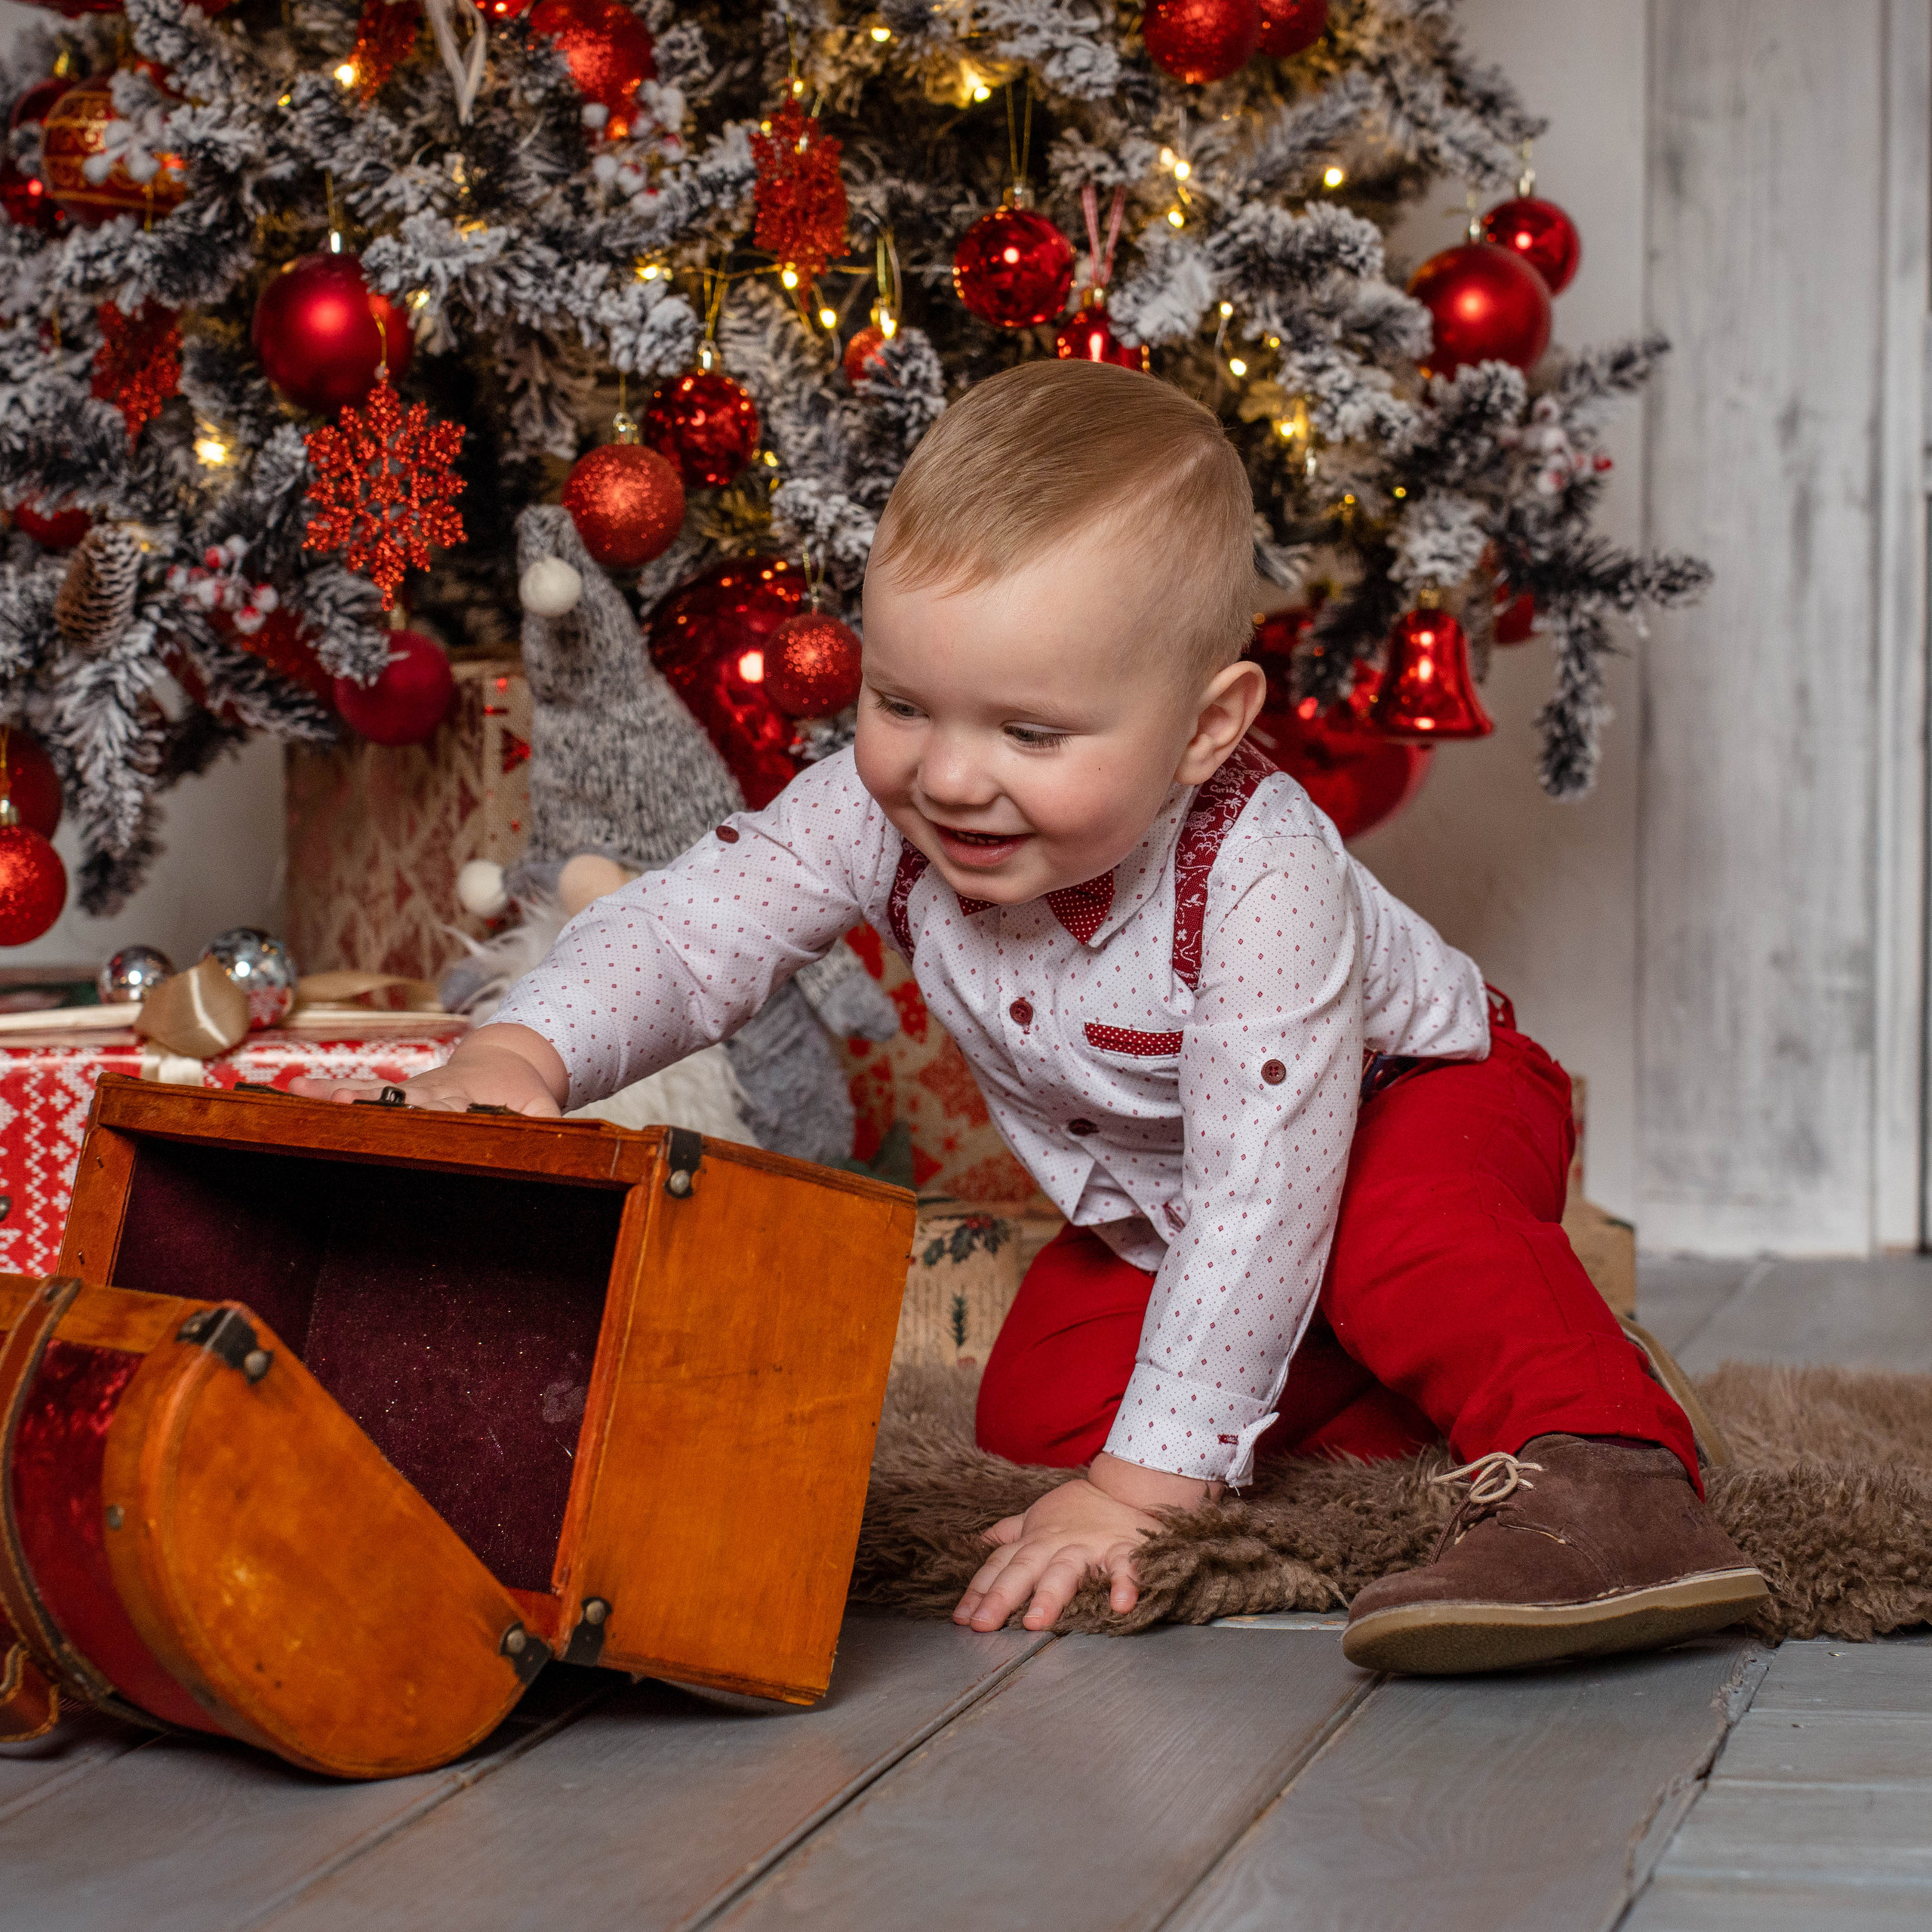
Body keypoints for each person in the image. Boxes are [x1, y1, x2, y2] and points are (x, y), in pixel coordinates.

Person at [294, 360, 1765, 1674]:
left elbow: (1263, 1196)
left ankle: (1610, 1471)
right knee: (1042, 1415)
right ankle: (1489, 1381)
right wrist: (524, 1045)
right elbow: (693, 932)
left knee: (1390, 1244)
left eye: (1030, 731)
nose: (948, 776)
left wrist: (1143, 1493)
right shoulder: (885, 811)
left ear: (1202, 728)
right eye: (901, 704)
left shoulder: (1260, 873)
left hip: (1416, 1103)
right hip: (1178, 1200)